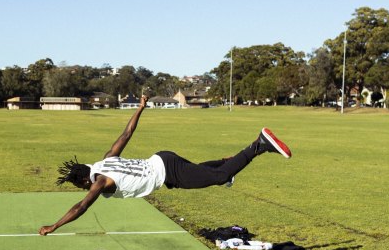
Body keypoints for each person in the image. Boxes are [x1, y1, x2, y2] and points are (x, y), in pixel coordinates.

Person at [38, 95, 291, 236]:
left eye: (84, 187)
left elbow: (81, 207)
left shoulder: (100, 181)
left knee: (219, 177)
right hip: (162, 160)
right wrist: (140, 107)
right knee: (206, 172)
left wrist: (54, 225)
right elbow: (126, 134)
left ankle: (260, 144)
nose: (87, 190)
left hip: (167, 171)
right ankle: (226, 162)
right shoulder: (106, 158)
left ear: (85, 180)